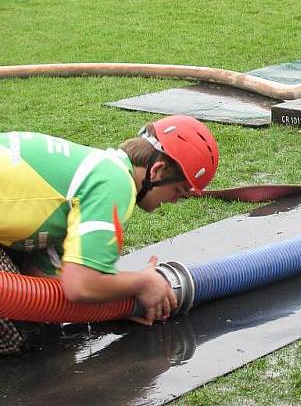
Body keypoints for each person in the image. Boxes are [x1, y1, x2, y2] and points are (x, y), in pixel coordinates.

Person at [0, 115, 220, 356]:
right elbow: (79, 285)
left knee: (39, 318)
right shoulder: (116, 183)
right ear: (157, 171)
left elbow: (41, 279)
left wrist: (121, 307)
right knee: (21, 335)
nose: (175, 200)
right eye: (178, 190)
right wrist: (143, 283)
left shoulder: (95, 171)